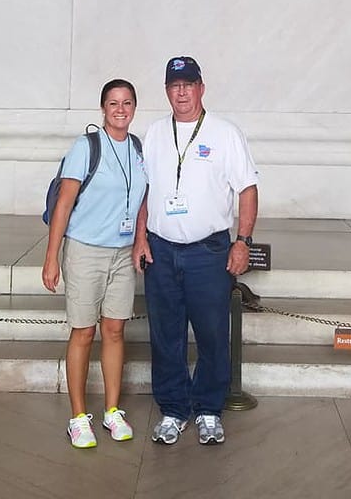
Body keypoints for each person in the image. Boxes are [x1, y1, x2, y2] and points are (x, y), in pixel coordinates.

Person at [132, 56, 258, 446]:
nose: (181, 92)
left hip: (208, 252)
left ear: (202, 87)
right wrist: (140, 238)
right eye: (174, 85)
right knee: (165, 334)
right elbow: (145, 191)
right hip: (162, 251)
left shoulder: (224, 133)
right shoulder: (154, 133)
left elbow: (248, 189)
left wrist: (243, 240)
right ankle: (172, 409)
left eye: (188, 84)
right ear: (167, 91)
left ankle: (206, 409)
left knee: (211, 334)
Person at [42, 79, 147, 449]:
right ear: (103, 108)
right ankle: (77, 416)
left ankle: (112, 410)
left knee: (115, 330)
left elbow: (142, 198)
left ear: (135, 108)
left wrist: (141, 239)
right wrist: (52, 257)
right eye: (113, 103)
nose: (121, 109)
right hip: (85, 250)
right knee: (84, 332)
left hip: (121, 254)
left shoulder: (137, 147)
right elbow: (64, 204)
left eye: (127, 102)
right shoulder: (85, 147)